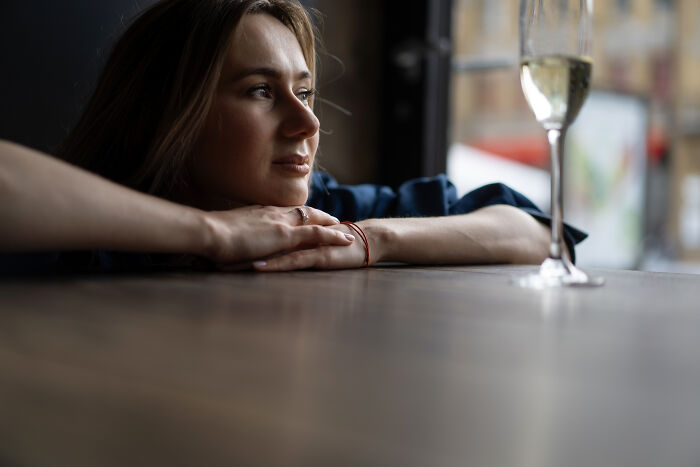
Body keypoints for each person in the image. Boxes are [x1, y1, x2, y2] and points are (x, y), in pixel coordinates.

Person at [0, 0, 585, 274]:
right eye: (260, 91)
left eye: (304, 93)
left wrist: (371, 238)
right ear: (172, 113)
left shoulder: (316, 217)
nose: (307, 123)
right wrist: (211, 234)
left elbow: (531, 229)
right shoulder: (84, 236)